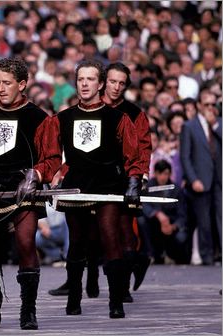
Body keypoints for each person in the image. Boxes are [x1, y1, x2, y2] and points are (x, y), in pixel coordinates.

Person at [0, 57, 61, 329]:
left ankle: (28, 309)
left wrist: (36, 175)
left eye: (7, 83)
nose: (1, 88)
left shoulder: (40, 118)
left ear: (22, 84)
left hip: (24, 191)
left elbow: (51, 157)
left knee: (26, 243)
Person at [56, 60, 141, 319]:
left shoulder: (119, 117)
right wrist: (46, 175)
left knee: (110, 239)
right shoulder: (63, 118)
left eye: (90, 79)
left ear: (100, 83)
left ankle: (116, 301)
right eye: (80, 79)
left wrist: (135, 180)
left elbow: (132, 154)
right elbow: (49, 155)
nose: (84, 84)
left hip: (107, 185)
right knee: (77, 242)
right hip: (76, 186)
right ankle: (74, 298)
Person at [101, 62, 152, 300]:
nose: (116, 87)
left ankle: (121, 287)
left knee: (123, 231)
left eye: (121, 83)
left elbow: (144, 147)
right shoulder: (92, 107)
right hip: (96, 177)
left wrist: (140, 176)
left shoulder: (134, 113)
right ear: (104, 81)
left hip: (125, 176)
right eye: (112, 81)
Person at [180, 90, 222, 265]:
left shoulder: (219, 124)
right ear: (198, 106)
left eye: (214, 105)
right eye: (207, 105)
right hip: (200, 179)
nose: (210, 108)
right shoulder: (189, 126)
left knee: (221, 217)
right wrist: (193, 179)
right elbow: (185, 156)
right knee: (204, 220)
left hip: (219, 179)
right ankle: (206, 256)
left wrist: (215, 126)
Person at [138, 160, 189, 264]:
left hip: (171, 225)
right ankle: (150, 254)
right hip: (154, 223)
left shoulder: (176, 189)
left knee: (181, 237)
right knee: (141, 220)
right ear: (155, 173)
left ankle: (173, 256)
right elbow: (143, 205)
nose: (162, 177)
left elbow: (182, 214)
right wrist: (157, 214)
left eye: (165, 173)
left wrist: (173, 226)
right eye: (159, 173)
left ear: (169, 174)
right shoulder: (148, 187)